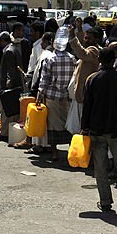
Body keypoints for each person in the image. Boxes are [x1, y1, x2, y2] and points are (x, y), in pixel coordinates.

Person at [81, 47, 117, 213]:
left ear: (100, 60)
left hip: (97, 130)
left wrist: (84, 127)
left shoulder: (92, 79)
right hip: (116, 130)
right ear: (113, 59)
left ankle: (105, 201)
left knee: (100, 169)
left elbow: (87, 107)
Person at [36, 33, 77, 161]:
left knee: (52, 126)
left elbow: (44, 80)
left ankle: (54, 153)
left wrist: (39, 94)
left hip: (52, 97)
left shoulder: (50, 59)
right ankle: (71, 152)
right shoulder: (72, 58)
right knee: (69, 125)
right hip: (68, 97)